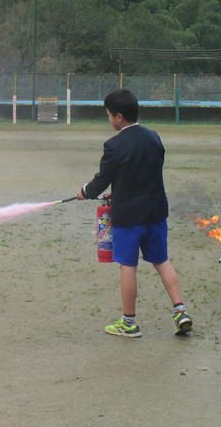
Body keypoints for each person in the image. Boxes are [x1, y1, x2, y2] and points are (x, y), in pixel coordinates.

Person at [76, 89, 192, 337]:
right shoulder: (153, 137)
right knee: (162, 261)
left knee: (128, 265)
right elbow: (143, 173)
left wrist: (86, 191)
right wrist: (118, 192)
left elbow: (102, 179)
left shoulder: (114, 145)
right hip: (155, 212)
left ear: (118, 116)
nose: (109, 119)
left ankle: (129, 323)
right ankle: (180, 311)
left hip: (129, 216)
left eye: (109, 115)